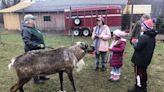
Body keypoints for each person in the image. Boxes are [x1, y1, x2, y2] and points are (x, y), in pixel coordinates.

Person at [128, 19, 157, 92]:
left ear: (146, 27)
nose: (141, 27)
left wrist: (134, 42)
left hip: (139, 60)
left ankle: (138, 88)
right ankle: (144, 87)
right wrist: (138, 42)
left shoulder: (144, 37)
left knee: (138, 74)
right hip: (146, 60)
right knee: (143, 72)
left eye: (143, 26)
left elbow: (137, 47)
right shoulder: (152, 37)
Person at [21, 14, 49, 84]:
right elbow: (27, 42)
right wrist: (38, 45)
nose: (34, 20)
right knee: (35, 65)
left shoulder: (33, 28)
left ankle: (42, 76)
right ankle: (36, 80)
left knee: (41, 63)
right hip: (32, 50)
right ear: (28, 21)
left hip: (39, 49)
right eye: (32, 19)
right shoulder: (26, 30)